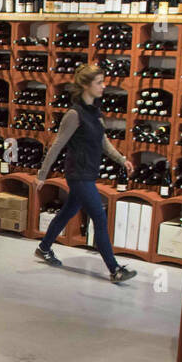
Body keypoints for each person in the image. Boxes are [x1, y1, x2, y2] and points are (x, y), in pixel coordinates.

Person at [35, 64, 136, 283]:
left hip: (89, 172)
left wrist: (122, 160)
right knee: (99, 217)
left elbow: (103, 142)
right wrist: (42, 175)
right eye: (99, 82)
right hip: (77, 173)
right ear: (85, 85)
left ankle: (44, 247)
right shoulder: (74, 114)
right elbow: (57, 145)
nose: (104, 86)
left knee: (67, 212)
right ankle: (115, 269)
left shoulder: (94, 112)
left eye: (103, 81)